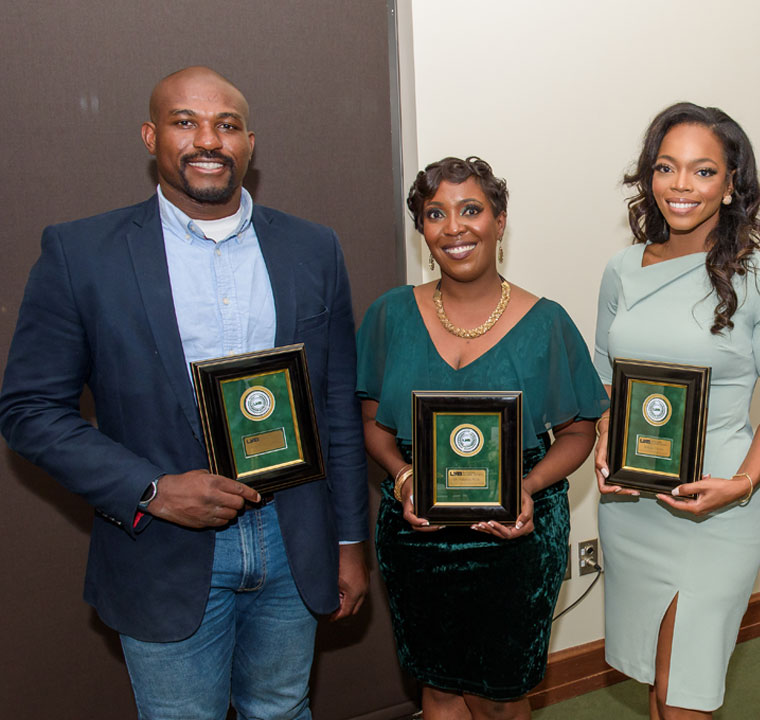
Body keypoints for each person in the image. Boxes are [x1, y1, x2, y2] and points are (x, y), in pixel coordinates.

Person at [0, 66, 368, 718]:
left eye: (227, 125)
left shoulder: (314, 249)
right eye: (185, 121)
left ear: (250, 143)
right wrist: (154, 490)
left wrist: (348, 542)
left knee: (283, 709)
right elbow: (29, 411)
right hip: (164, 548)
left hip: (296, 539)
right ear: (150, 136)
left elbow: (336, 404)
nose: (209, 139)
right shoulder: (81, 254)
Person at [357, 156, 607, 720]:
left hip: (517, 531)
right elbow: (372, 420)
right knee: (439, 689)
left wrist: (528, 484)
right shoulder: (390, 315)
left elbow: (578, 430)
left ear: (499, 220)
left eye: (471, 209)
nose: (454, 227)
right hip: (415, 527)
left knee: (500, 696)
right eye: (435, 213)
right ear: (422, 229)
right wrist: (400, 475)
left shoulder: (547, 322)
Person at [591, 102, 760, 718]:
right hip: (634, 504)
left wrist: (741, 485)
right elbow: (604, 377)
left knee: (686, 689)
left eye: (702, 170)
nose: (681, 186)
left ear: (732, 182)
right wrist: (608, 442)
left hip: (716, 504)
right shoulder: (622, 270)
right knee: (660, 686)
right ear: (648, 176)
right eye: (666, 167)